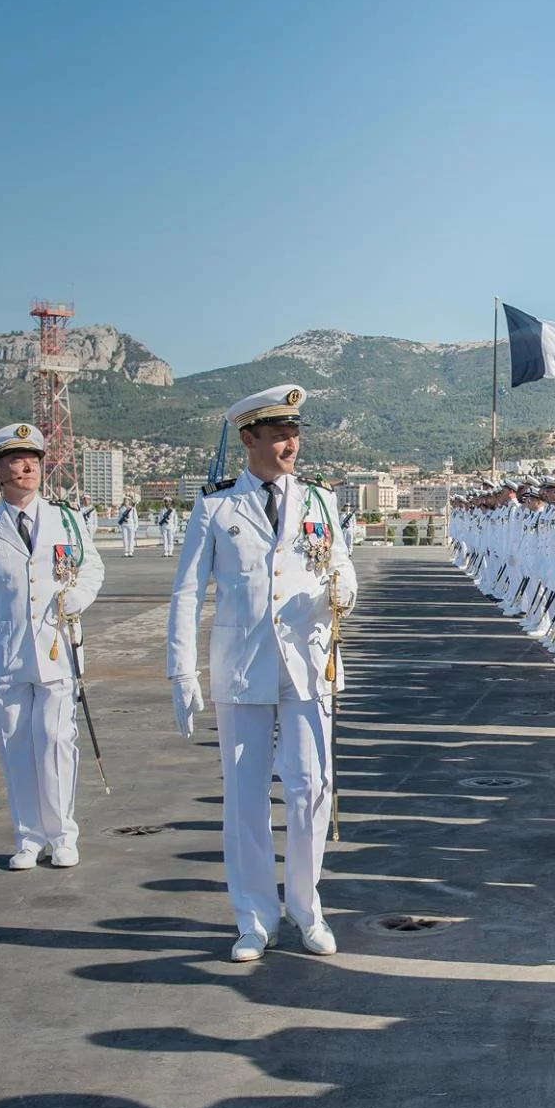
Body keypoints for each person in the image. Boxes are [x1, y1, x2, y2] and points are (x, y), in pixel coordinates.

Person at [168, 385, 357, 963]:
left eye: (293, 433)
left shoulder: (320, 501)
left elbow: (343, 567)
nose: (289, 444)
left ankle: (306, 906)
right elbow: (186, 592)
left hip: (308, 661)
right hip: (243, 666)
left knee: (310, 791)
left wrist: (343, 591)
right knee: (246, 797)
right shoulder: (217, 506)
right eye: (277, 434)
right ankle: (254, 917)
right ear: (248, 438)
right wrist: (181, 671)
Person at [0, 424, 105, 871]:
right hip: (6, 653)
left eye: (33, 459)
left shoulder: (68, 518)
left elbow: (92, 567)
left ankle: (62, 834)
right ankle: (28, 837)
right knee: (14, 745)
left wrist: (79, 597)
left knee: (56, 741)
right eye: (15, 461)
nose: (27, 467)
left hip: (58, 649)